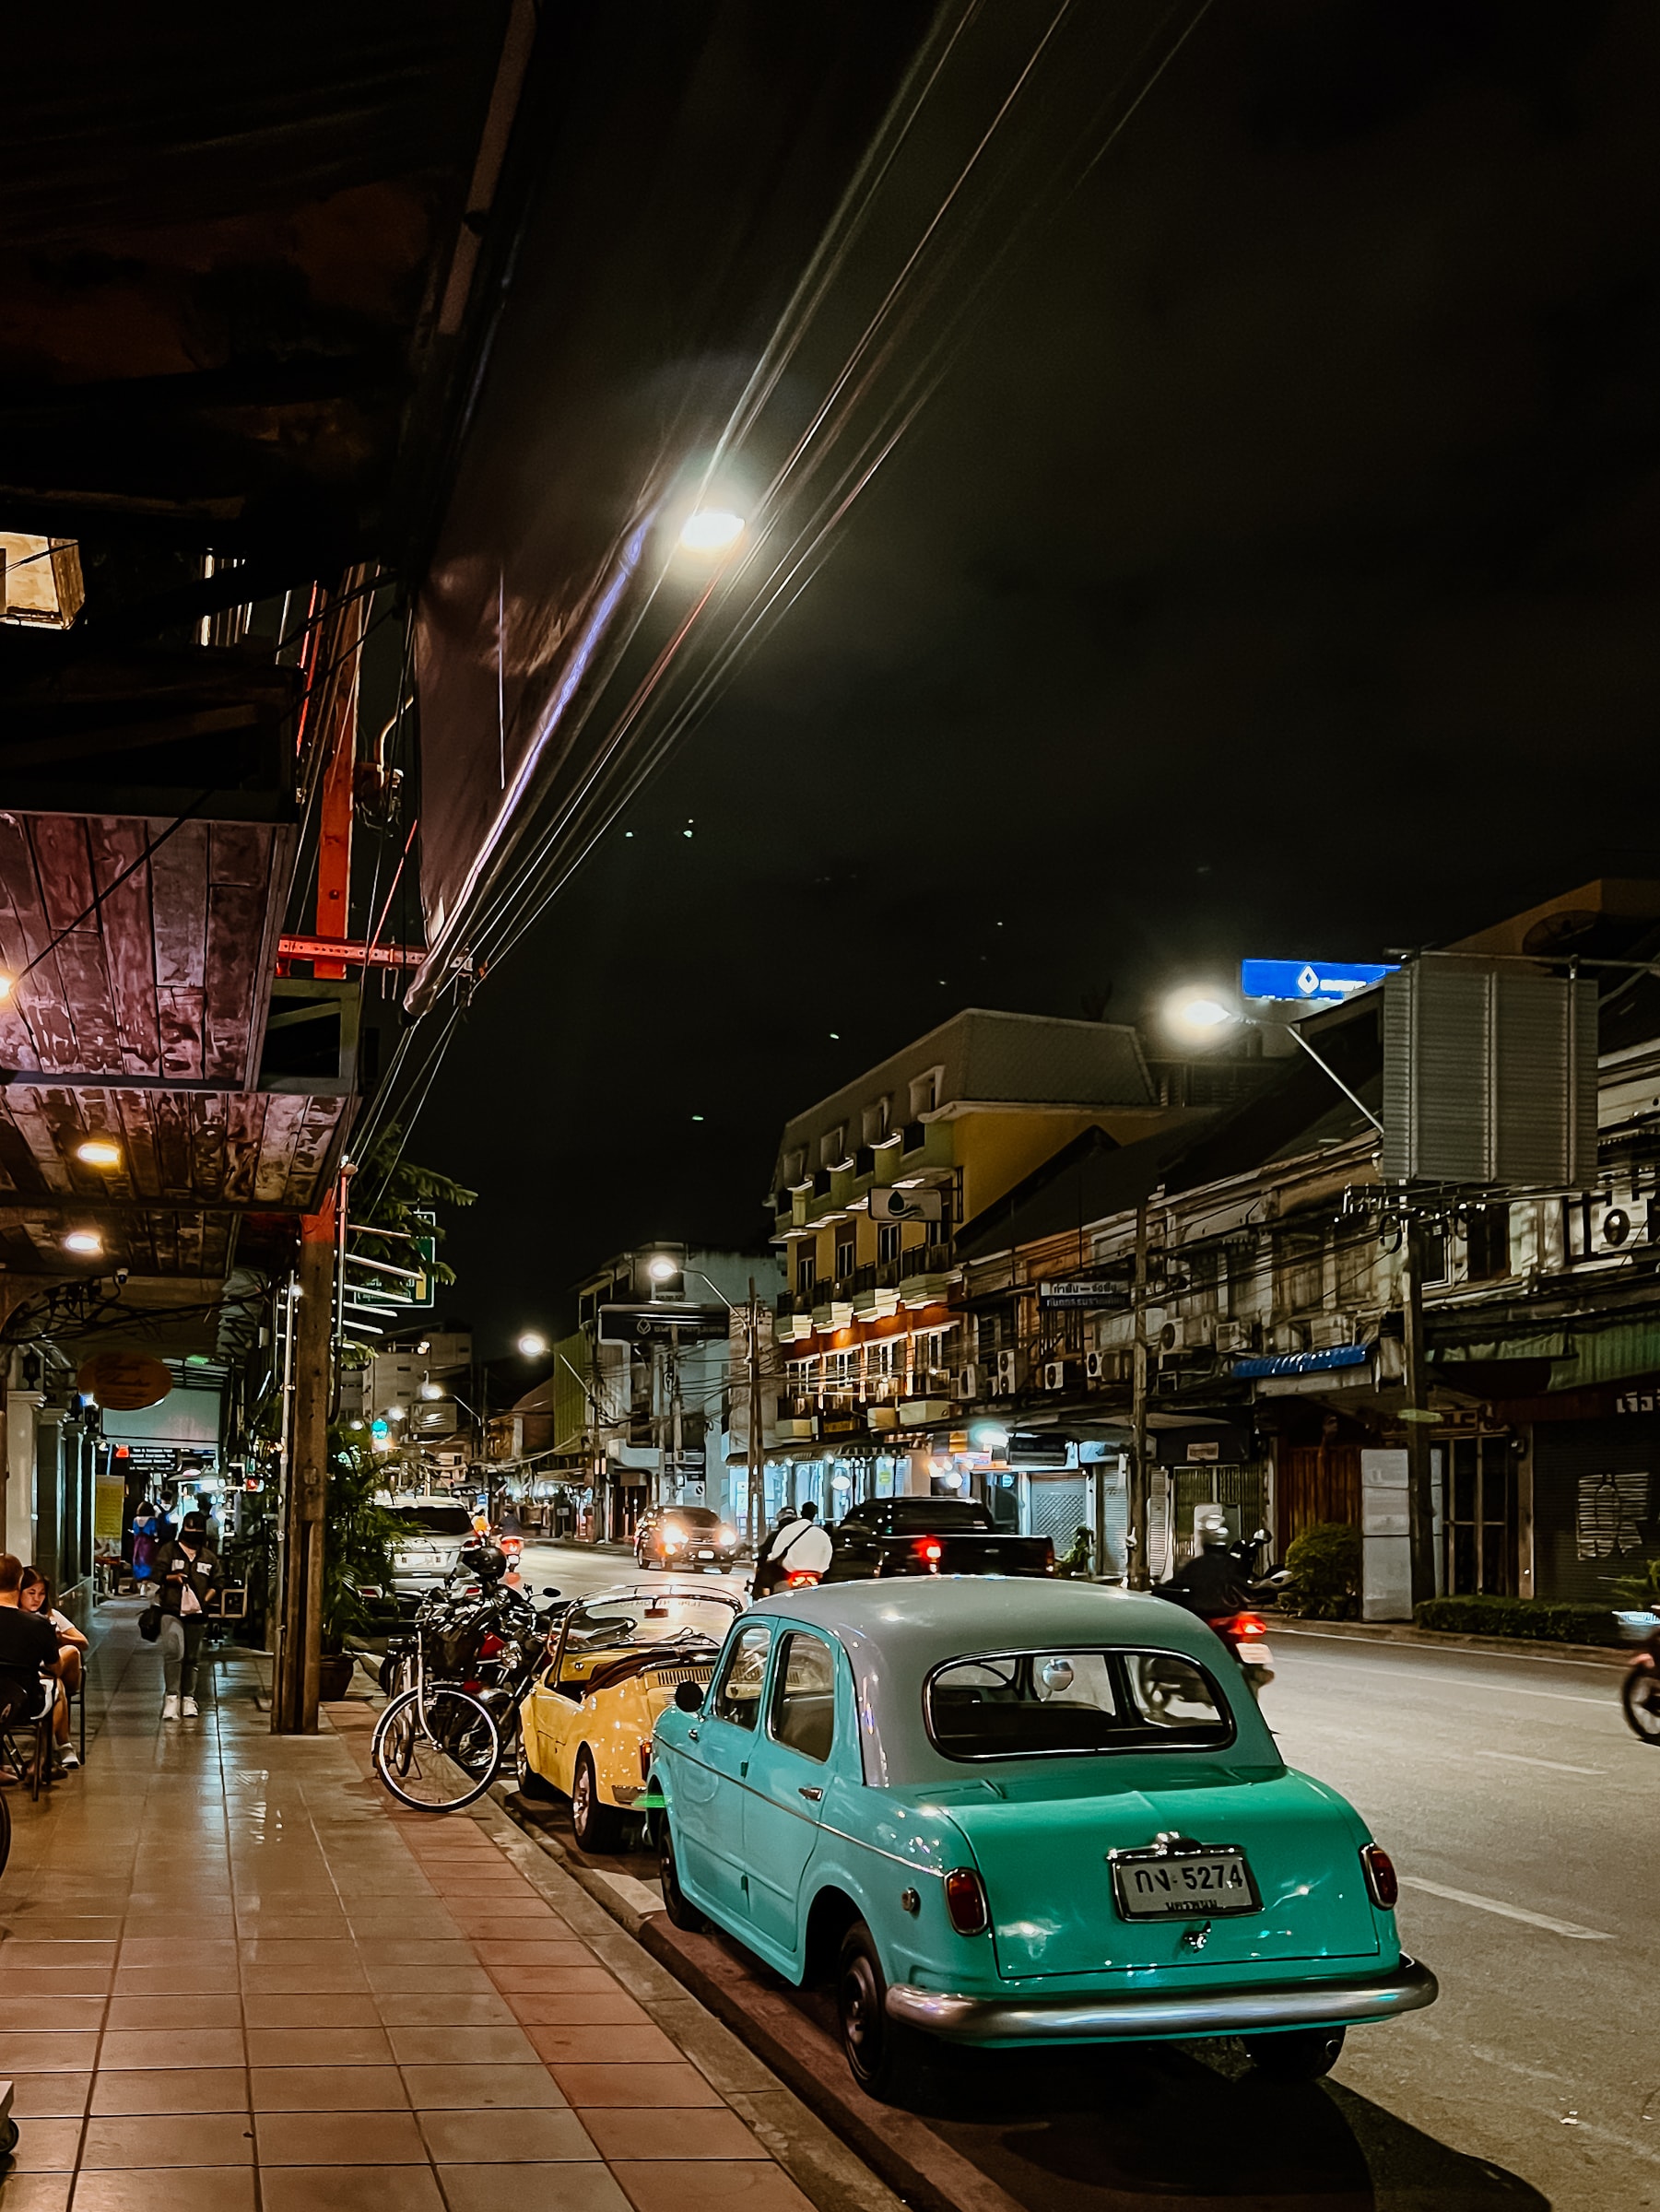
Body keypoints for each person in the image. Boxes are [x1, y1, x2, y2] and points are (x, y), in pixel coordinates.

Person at [151, 1512, 221, 1721]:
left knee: (192, 1657)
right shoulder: (169, 1550)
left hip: (197, 1614)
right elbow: (156, 1574)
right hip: (171, 1610)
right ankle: (172, 1697)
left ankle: (189, 1698)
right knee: (174, 1652)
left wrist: (204, 1601)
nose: (193, 1536)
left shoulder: (208, 1557)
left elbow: (218, 1582)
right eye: (189, 1530)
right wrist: (172, 1578)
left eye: (197, 1531)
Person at [19, 1570, 87, 1771]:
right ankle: (63, 1746)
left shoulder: (50, 1616)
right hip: (29, 1678)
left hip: (52, 1669)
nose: (37, 1599)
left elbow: (83, 1642)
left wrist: (58, 1638)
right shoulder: (13, 1618)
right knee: (58, 1688)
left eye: (41, 1593)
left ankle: (50, 1753)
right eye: (31, 1593)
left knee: (71, 1652)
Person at [0, 1554, 62, 1752]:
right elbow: (55, 1668)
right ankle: (40, 1761)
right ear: (19, 1581)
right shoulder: (38, 1624)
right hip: (23, 1706)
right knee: (57, 1688)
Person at [1157, 1516, 1255, 1618]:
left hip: (1202, 1614)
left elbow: (1176, 1584)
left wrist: (1159, 1588)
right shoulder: (1234, 1564)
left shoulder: (1197, 1565)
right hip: (1230, 1612)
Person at [753, 1500, 832, 1597]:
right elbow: (828, 1555)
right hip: (817, 1573)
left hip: (790, 1571)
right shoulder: (821, 1534)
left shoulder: (788, 1530)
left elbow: (775, 1554)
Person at [130, 1500, 161, 1584]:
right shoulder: (152, 1520)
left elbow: (135, 1531)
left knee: (138, 1559)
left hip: (138, 1542)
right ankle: (148, 1576)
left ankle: (139, 1576)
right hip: (149, 1542)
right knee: (148, 1559)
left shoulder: (135, 1520)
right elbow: (153, 1531)